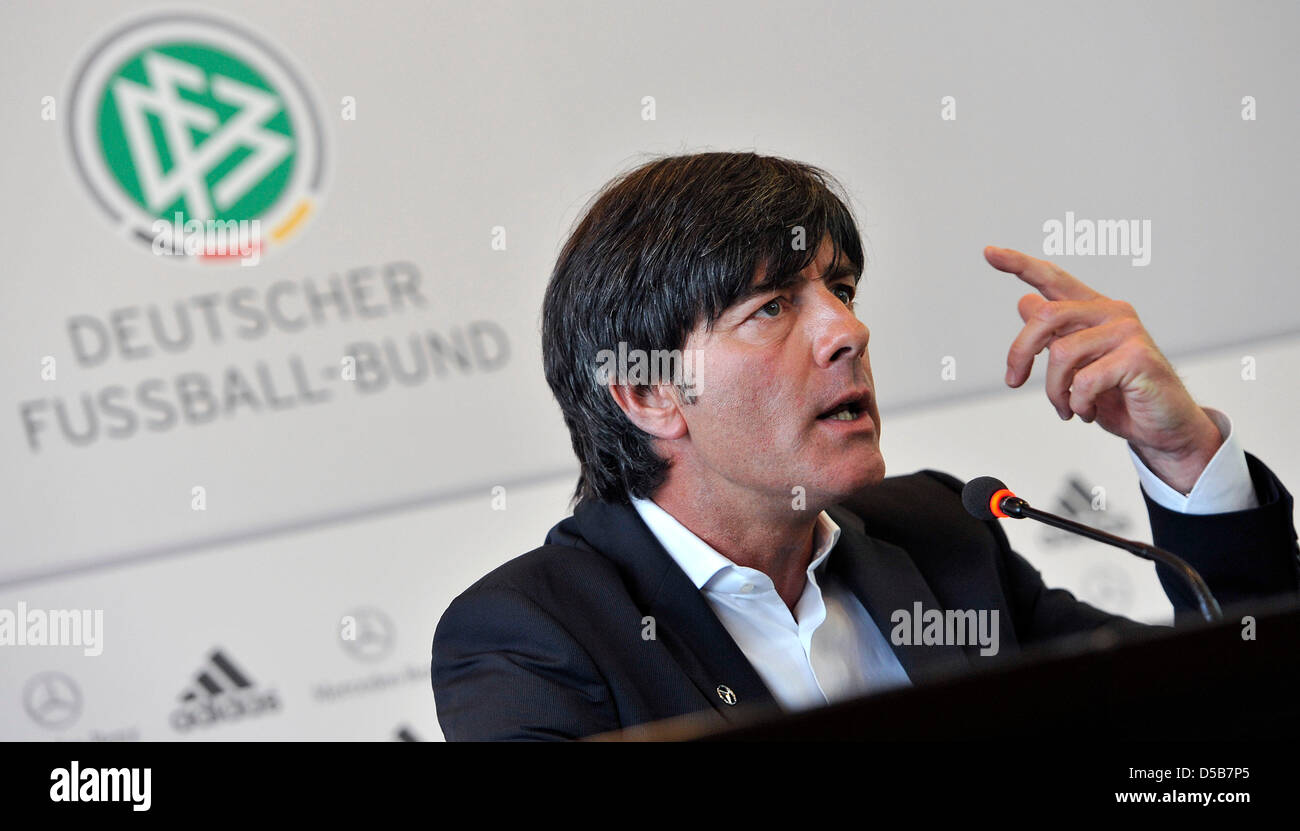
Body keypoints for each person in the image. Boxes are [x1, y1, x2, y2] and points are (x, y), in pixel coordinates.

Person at [431, 152, 1299, 741]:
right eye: (771, 307)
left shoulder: (940, 534)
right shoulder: (532, 636)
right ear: (650, 392)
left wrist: (1186, 462)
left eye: (840, 289)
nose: (848, 329)